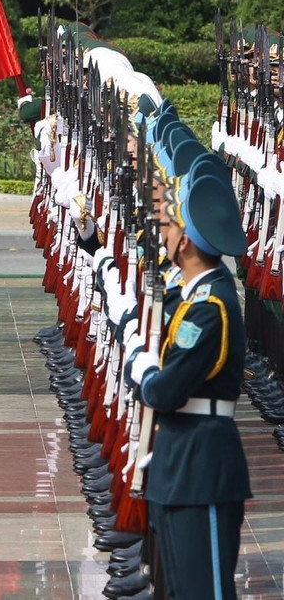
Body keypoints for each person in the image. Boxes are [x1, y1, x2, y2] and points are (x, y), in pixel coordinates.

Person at [127, 173, 251, 598]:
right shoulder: (196, 296)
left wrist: (143, 372)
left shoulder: (211, 307)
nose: (164, 232)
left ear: (186, 244)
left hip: (203, 467)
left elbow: (165, 391)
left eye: (171, 225)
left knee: (206, 591)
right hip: (180, 462)